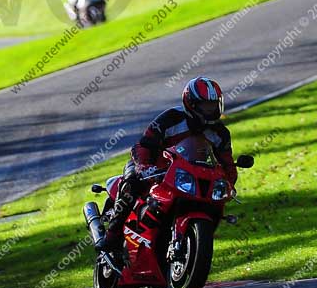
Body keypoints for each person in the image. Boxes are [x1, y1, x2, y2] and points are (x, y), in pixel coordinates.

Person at [96, 77, 239, 252]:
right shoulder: (170, 118)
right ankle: (112, 235)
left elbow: (227, 164)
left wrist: (229, 183)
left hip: (188, 176)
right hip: (152, 168)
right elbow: (144, 145)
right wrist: (144, 166)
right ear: (192, 104)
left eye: (214, 104)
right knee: (131, 182)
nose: (211, 110)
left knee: (212, 201)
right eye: (206, 105)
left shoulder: (221, 133)